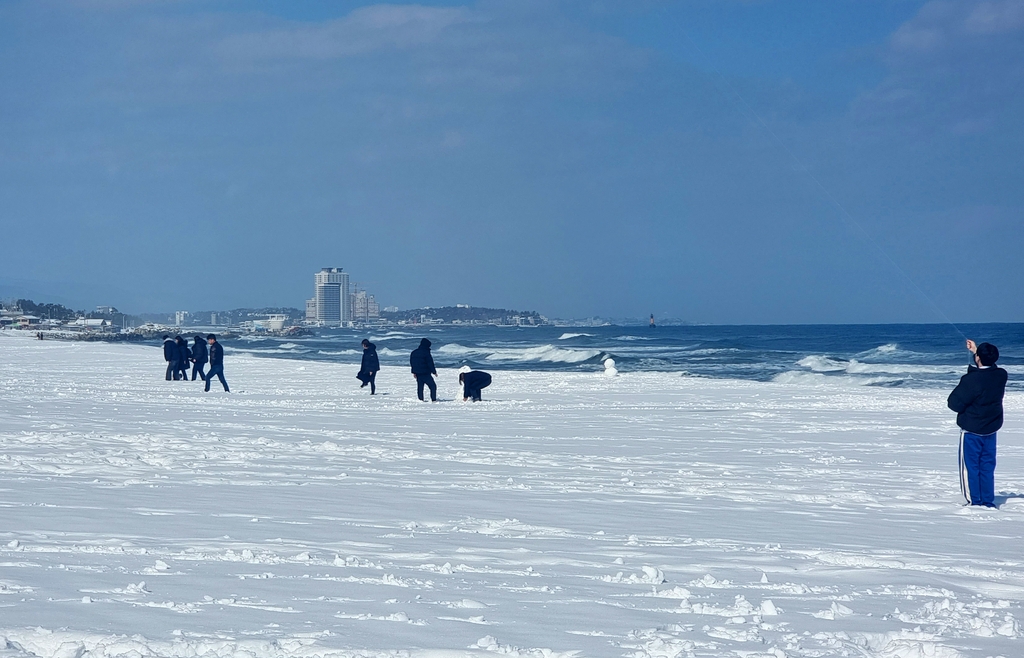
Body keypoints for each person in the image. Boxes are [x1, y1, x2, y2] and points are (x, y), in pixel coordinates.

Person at [948, 339, 1007, 508]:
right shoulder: (1001, 375)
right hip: (991, 428)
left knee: (970, 468)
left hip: (972, 429)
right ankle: (987, 501)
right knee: (987, 466)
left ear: (979, 359)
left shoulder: (972, 380)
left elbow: (954, 403)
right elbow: (987, 372)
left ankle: (974, 501)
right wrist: (976, 352)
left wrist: (976, 357)